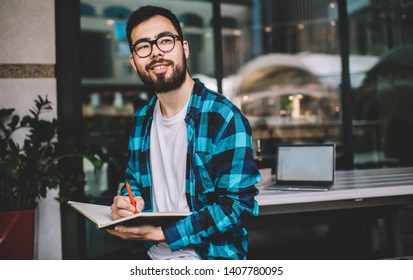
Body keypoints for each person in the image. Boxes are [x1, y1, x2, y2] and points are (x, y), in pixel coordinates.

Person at [107, 5, 260, 260]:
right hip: (153, 257)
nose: (156, 52)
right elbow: (135, 181)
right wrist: (127, 202)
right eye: (143, 46)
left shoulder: (222, 117)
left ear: (184, 48)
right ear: (134, 62)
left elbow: (236, 207)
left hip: (210, 259)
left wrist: (159, 233)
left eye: (165, 41)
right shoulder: (142, 120)